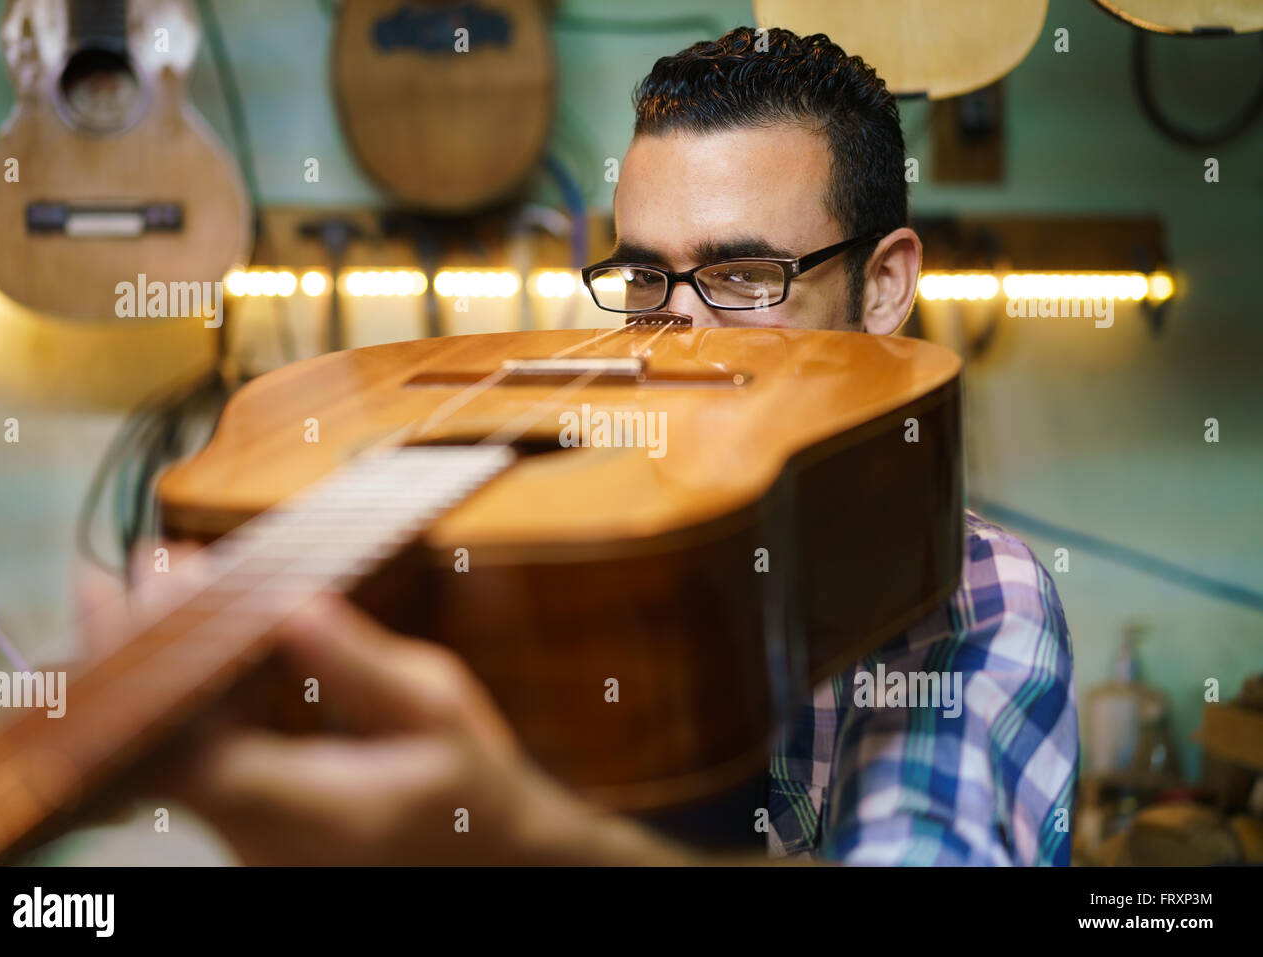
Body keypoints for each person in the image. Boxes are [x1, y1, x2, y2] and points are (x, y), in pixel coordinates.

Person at [157, 27, 1079, 866]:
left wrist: (522, 833)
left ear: (882, 288)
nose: (674, 324)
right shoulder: (552, 558)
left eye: (743, 275)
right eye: (645, 274)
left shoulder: (974, 592)